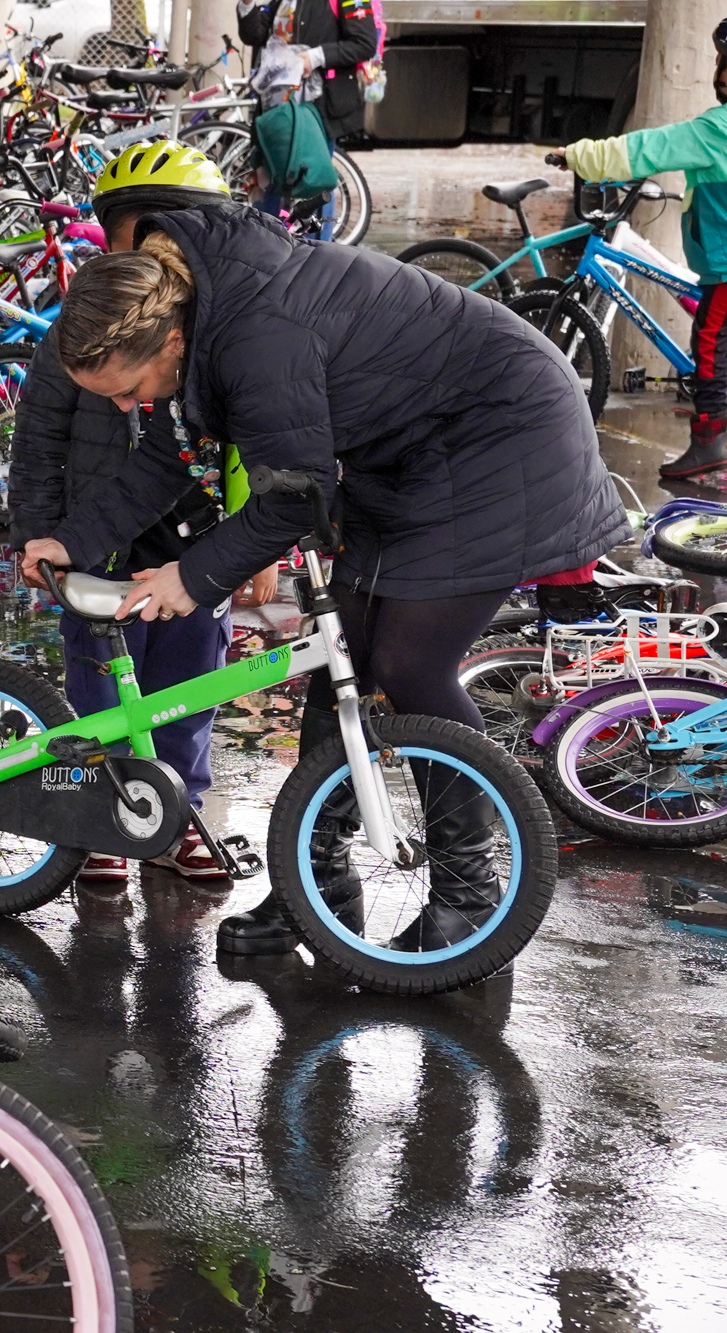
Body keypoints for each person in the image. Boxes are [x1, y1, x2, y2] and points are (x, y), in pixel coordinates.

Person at [36, 207, 626, 956]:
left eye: (128, 388)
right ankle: (313, 891)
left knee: (408, 664)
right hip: (406, 453)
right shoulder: (203, 316)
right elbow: (166, 457)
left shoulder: (254, 335)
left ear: (171, 339)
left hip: (500, 435)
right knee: (335, 661)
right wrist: (69, 539)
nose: (127, 406)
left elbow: (289, 496)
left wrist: (196, 572)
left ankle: (473, 899)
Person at [12, 142, 276, 886]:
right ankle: (109, 813)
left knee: (191, 684)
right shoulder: (80, 330)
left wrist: (260, 548)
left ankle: (177, 814)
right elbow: (36, 443)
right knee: (99, 686)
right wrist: (36, 533)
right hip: (96, 544)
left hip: (194, 544)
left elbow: (261, 448)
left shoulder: (217, 339)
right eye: (137, 237)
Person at [561, 20, 727, 478]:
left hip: (726, 269)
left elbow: (646, 149)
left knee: (710, 345)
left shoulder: (717, 131)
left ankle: (710, 441)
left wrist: (579, 156)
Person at [238, 0, 376, 232]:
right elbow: (255, 35)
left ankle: (316, 256)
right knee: (272, 183)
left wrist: (315, 57)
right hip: (276, 110)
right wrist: (247, 4)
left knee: (313, 186)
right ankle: (270, 249)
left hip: (316, 111)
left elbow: (364, 43)